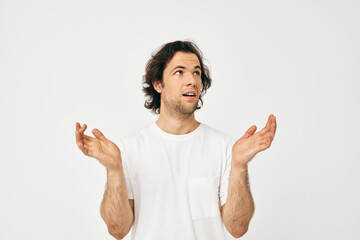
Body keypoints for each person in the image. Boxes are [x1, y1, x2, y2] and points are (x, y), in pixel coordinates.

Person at [75, 40, 277, 240]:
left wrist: (240, 165)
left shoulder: (225, 148)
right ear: (158, 84)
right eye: (179, 72)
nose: (192, 80)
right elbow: (117, 230)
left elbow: (237, 228)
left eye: (197, 72)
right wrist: (113, 168)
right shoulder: (128, 149)